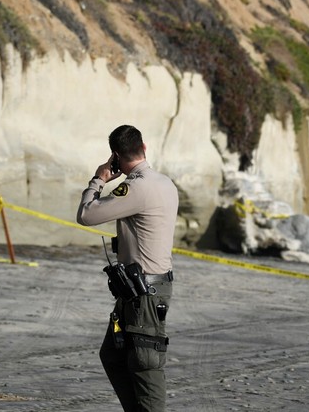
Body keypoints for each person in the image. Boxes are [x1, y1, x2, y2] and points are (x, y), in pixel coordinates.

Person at [77, 125, 179, 412]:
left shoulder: (136, 187)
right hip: (140, 288)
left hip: (144, 292)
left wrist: (99, 179)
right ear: (144, 147)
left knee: (146, 366)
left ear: (116, 157)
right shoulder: (164, 183)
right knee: (113, 356)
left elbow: (86, 214)